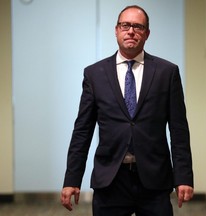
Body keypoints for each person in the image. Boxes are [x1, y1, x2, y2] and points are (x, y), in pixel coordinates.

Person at [61, 5, 194, 216]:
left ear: (147, 33)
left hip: (154, 179)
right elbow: (82, 131)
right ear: (116, 30)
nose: (130, 31)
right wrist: (72, 179)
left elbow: (179, 130)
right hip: (110, 180)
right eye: (125, 25)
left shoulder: (167, 73)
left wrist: (184, 177)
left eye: (137, 26)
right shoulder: (95, 74)